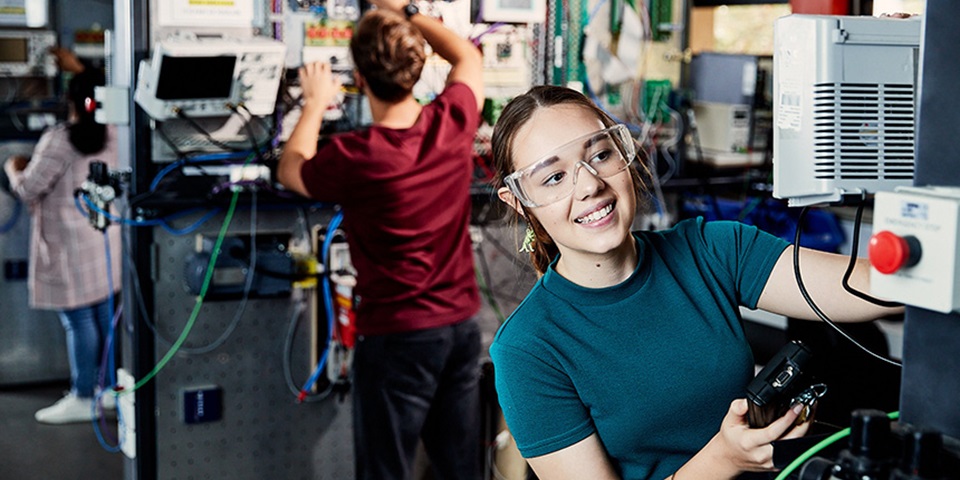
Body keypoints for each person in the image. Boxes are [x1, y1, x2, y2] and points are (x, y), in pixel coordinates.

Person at [487, 85, 901, 480]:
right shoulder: (527, 350)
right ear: (519, 202)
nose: (591, 185)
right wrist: (724, 459)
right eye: (553, 178)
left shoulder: (712, 249)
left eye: (599, 155)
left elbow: (874, 287)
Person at [276, 0, 485, 478]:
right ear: (417, 67)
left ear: (360, 79)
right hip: (459, 329)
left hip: (397, 338)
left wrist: (313, 103)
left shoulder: (355, 156)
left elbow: (291, 169)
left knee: (385, 470)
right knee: (461, 470)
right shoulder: (451, 124)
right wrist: (406, 11)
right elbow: (468, 58)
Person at [4, 59, 121, 424]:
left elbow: (28, 188)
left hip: (67, 246)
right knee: (105, 317)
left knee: (78, 321)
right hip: (103, 239)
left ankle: (83, 395)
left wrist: (13, 166)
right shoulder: (118, 131)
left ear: (71, 101)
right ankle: (109, 391)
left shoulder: (59, 139)